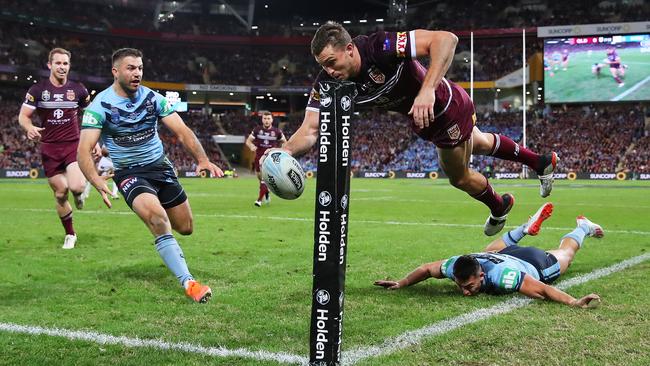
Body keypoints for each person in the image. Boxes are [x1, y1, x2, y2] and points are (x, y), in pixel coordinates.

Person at [274, 22, 558, 236]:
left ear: (349, 49)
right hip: (423, 120)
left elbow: (446, 39)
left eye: (332, 63)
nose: (330, 72)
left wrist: (427, 90)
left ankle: (500, 206)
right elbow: (311, 129)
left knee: (458, 178)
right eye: (324, 66)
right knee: (481, 143)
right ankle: (541, 161)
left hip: (445, 109)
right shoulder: (329, 82)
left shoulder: (379, 47)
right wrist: (283, 153)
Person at [77, 48, 223, 303]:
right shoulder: (99, 105)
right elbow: (83, 151)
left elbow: (182, 130)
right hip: (129, 173)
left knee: (185, 228)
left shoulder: (153, 99)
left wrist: (202, 159)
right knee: (157, 219)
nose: (137, 73)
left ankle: (167, 243)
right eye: (131, 68)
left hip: (160, 167)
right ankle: (189, 283)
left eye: (140, 68)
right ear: (115, 71)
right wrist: (97, 181)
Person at [374, 203, 604, 308]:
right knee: (486, 252)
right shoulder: (454, 266)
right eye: (461, 287)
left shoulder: (505, 277)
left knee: (565, 253)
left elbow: (543, 290)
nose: (465, 293)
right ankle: (523, 229)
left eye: (470, 287)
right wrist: (402, 283)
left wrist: (573, 301)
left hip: (534, 262)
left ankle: (583, 226)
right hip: (502, 253)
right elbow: (426, 269)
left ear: (481, 276)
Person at [18, 47, 97, 249]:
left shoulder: (79, 90)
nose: (62, 67)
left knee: (76, 186)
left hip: (73, 145)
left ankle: (80, 193)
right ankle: (70, 234)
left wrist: (94, 142)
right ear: (50, 65)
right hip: (49, 149)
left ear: (69, 66)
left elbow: (91, 118)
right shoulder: (37, 90)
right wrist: (29, 128)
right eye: (58, 63)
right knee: (60, 193)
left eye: (65, 63)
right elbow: (23, 117)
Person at [245, 111, 286, 207]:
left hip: (270, 160)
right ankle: (266, 193)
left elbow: (285, 142)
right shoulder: (257, 130)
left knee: (264, 179)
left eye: (268, 118)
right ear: (262, 119)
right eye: (265, 118)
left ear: (272, 120)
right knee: (261, 179)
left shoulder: (277, 132)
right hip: (258, 158)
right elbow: (248, 141)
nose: (266, 120)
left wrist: (279, 150)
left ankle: (259, 200)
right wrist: (251, 146)